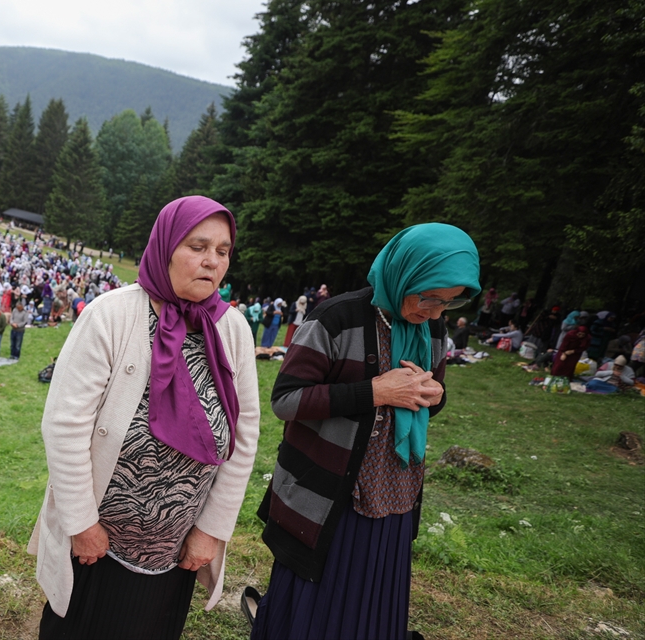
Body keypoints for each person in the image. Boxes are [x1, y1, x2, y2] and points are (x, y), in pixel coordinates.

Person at [31, 196, 262, 639]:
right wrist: (82, 524)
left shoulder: (231, 330)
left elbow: (243, 436)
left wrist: (211, 529)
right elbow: (65, 424)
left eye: (223, 250)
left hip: (176, 548)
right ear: (166, 246)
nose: (211, 261)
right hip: (98, 548)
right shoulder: (111, 315)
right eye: (198, 246)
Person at [249, 223, 480, 640]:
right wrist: (372, 391)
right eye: (427, 296)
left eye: (447, 303)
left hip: (394, 490)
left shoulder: (434, 330)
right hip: (327, 495)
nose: (433, 312)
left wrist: (433, 394)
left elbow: (432, 397)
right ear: (404, 274)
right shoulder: (336, 318)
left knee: (373, 596)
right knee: (317, 597)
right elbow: (286, 400)